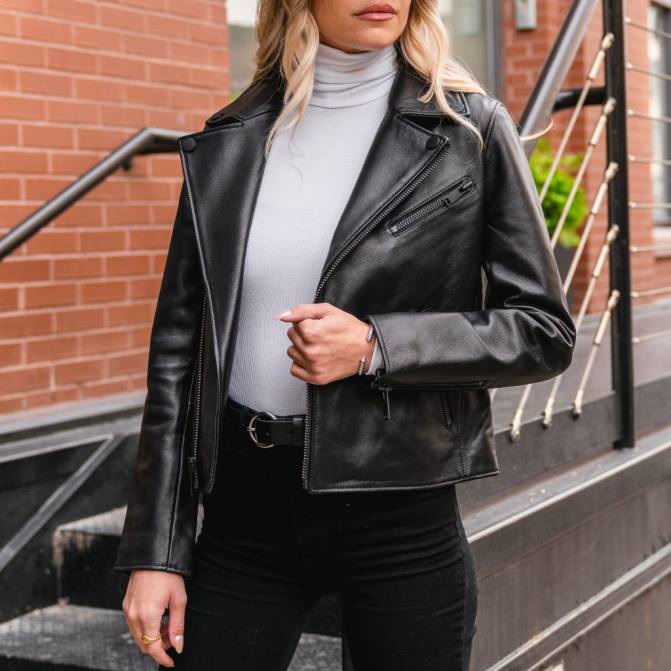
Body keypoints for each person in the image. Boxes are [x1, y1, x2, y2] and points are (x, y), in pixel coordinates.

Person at [113, 1, 576, 669]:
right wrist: (157, 549)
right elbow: (177, 356)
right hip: (245, 511)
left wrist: (375, 347)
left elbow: (542, 328)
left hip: (400, 510)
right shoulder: (232, 138)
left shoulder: (467, 130)